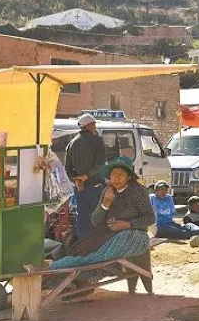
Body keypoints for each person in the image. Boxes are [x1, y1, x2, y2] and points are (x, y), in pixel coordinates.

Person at [49, 157, 156, 272]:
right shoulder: (107, 191)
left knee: (92, 257)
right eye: (113, 174)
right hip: (108, 236)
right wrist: (106, 204)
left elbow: (150, 218)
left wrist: (127, 224)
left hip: (135, 236)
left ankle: (53, 269)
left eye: (121, 174)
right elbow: (95, 221)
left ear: (129, 177)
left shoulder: (138, 191)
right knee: (80, 249)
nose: (116, 178)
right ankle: (55, 271)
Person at [64, 113, 107, 241]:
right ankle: (97, 244)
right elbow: (100, 163)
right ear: (87, 126)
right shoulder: (97, 141)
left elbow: (67, 167)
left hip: (80, 187)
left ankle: (83, 244)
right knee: (98, 214)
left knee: (82, 216)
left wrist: (77, 180)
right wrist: (85, 176)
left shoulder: (71, 143)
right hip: (95, 185)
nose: (95, 127)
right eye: (93, 124)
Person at [149, 181, 199, 247]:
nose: (164, 191)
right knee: (181, 232)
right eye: (161, 189)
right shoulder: (152, 198)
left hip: (170, 223)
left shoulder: (168, 198)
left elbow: (172, 212)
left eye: (165, 189)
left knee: (189, 225)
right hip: (159, 226)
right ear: (156, 190)